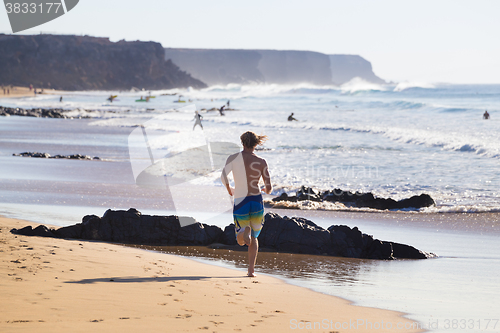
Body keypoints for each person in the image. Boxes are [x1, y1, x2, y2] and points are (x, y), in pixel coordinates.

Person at [221, 131, 272, 277]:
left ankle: (244, 232)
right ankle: (251, 271)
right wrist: (264, 189)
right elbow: (269, 188)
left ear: (242, 143)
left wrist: (229, 189)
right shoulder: (262, 162)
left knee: (240, 239)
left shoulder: (233, 158)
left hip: (241, 199)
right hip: (256, 200)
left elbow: (223, 176)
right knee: (255, 238)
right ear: (256, 144)